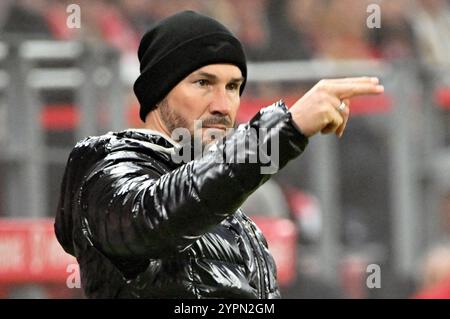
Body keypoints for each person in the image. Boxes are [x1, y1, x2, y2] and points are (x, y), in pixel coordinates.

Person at [54, 10, 384, 298]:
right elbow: (156, 217)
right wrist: (287, 128)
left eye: (232, 87)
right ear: (158, 90)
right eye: (203, 83)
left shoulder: (238, 220)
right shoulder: (105, 172)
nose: (223, 106)